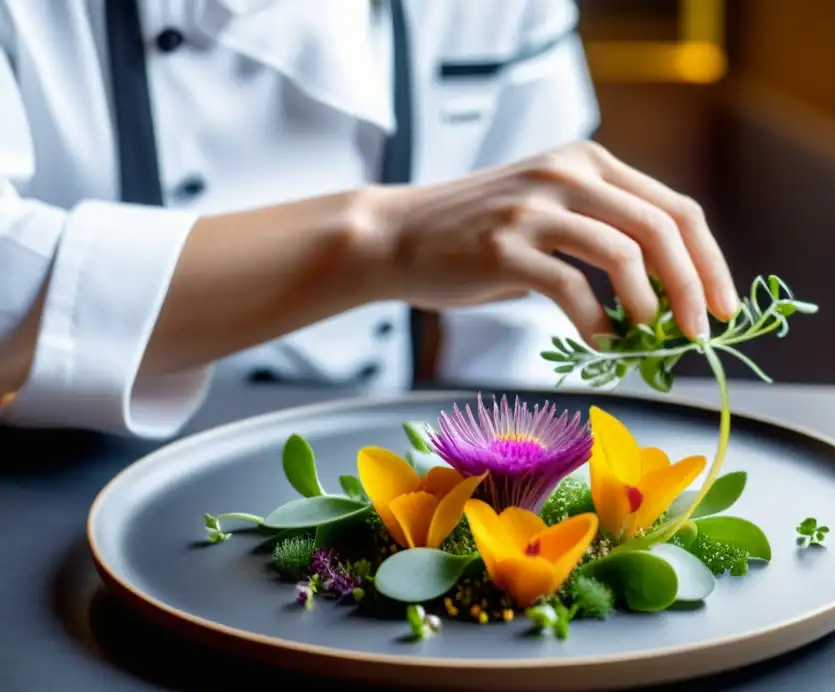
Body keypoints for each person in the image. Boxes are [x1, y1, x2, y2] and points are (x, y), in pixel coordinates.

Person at [0, 0, 739, 440]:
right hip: (58, 480)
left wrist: (530, 483)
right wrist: (384, 240)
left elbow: (528, 310)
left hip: (384, 472)